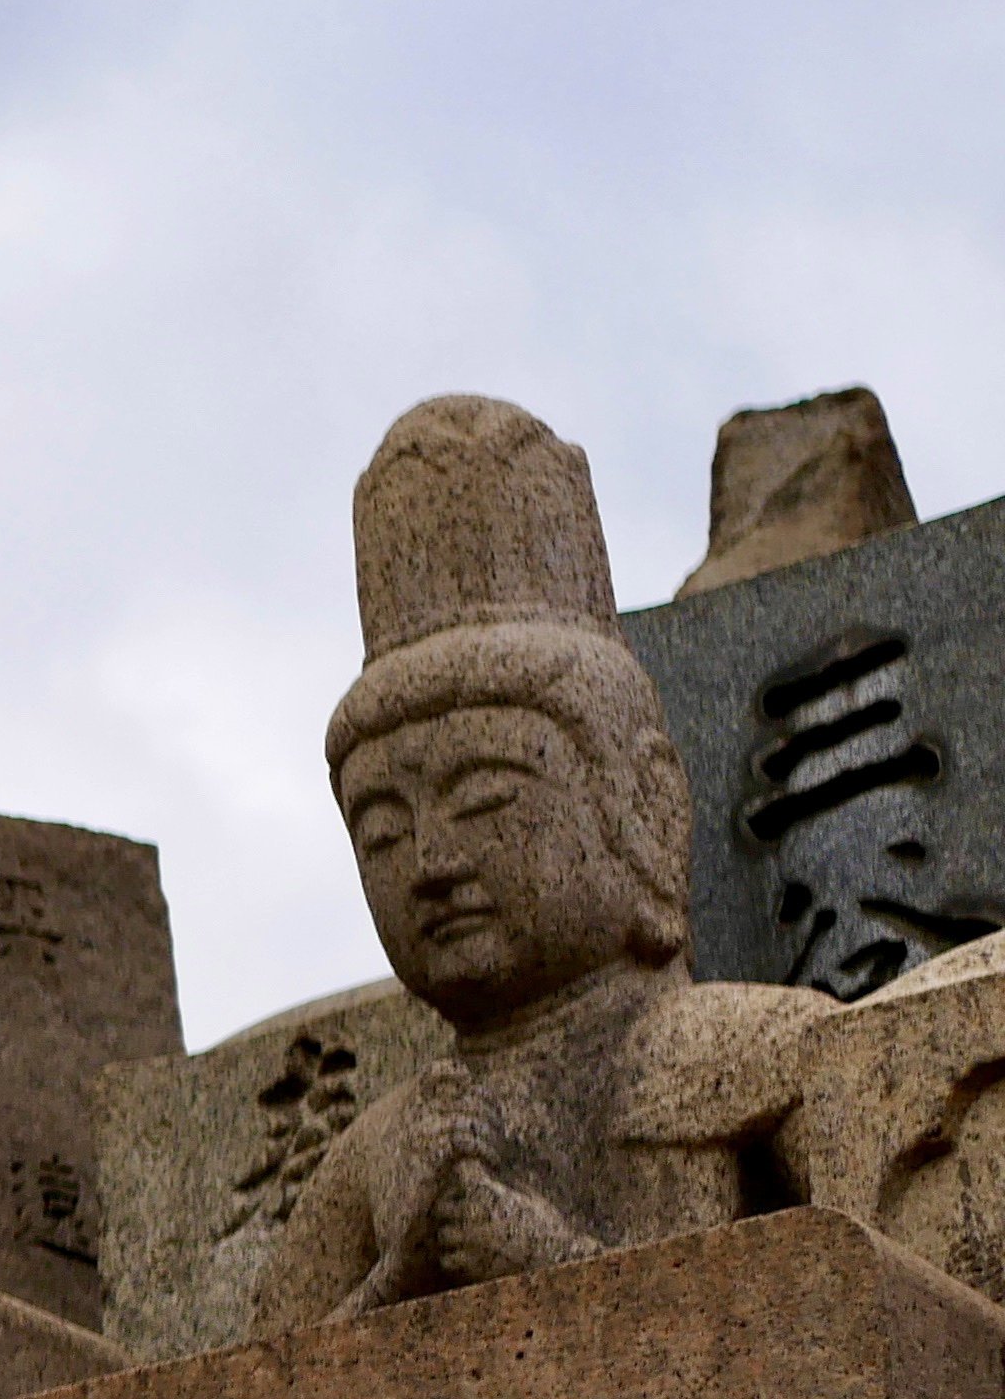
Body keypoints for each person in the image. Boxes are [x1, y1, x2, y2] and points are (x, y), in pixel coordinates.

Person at [256, 395, 809, 1333]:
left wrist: (547, 1261)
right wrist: (403, 1274)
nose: (431, 863)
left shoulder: (760, 1054)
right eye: (384, 830)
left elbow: (862, 1325)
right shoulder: (375, 1159)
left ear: (641, 805)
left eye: (485, 801)